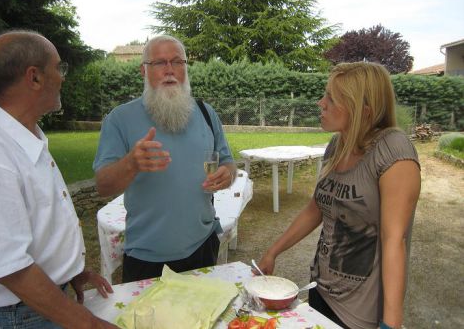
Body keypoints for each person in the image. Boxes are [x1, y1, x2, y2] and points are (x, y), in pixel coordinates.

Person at [0, 30, 117, 328]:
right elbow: (10, 268)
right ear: (34, 78)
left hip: (41, 305)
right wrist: (90, 324)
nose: (62, 76)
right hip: (21, 317)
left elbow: (40, 224)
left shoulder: (24, 136)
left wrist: (70, 272)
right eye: (58, 67)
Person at [258, 62, 421, 329]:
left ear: (363, 109)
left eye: (332, 98)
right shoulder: (337, 144)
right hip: (321, 291)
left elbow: (395, 240)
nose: (321, 103)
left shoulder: (393, 150)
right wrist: (273, 252)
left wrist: (391, 323)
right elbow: (316, 208)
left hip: (359, 313)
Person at [93, 35, 237, 283]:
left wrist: (227, 174)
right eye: (159, 63)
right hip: (147, 257)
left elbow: (229, 163)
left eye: (177, 62)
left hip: (203, 246)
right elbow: (103, 186)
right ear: (143, 70)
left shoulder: (205, 112)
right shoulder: (120, 119)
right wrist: (131, 163)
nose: (170, 70)